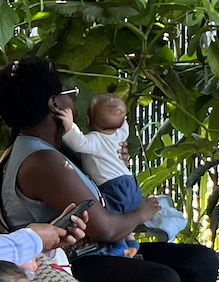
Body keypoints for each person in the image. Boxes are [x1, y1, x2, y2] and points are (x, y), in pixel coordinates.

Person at [0, 57, 218, 282]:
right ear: (55, 103)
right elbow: (106, 228)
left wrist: (113, 161)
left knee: (200, 262)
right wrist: (143, 212)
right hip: (68, 265)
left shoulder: (53, 149)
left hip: (99, 253)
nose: (75, 98)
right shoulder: (42, 162)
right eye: (69, 92)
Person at [59, 91, 188, 242]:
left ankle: (121, 247)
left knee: (114, 218)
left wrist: (69, 125)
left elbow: (79, 142)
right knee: (126, 215)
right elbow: (123, 124)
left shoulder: (95, 140)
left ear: (87, 119)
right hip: (130, 184)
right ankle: (132, 241)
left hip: (113, 187)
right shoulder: (121, 134)